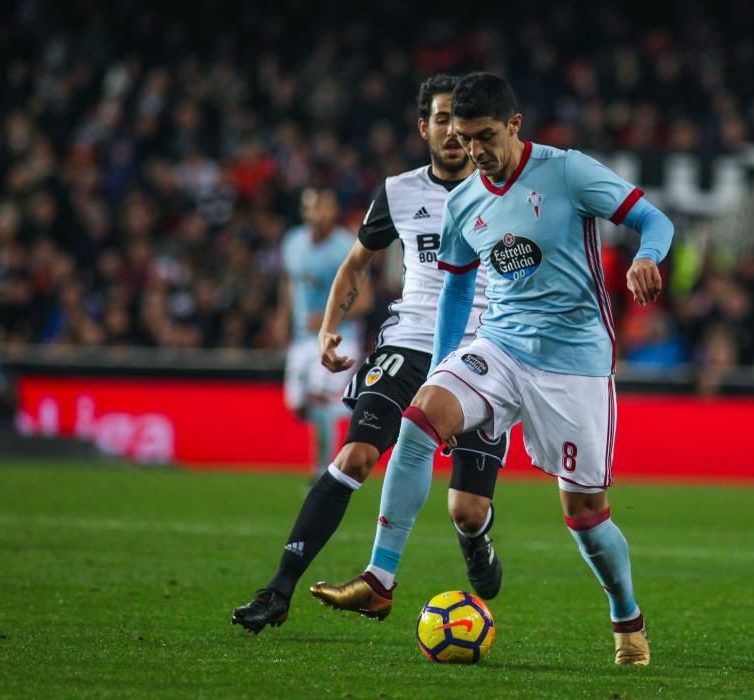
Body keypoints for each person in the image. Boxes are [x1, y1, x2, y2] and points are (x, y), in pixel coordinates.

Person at [310, 72, 673, 667]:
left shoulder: (567, 171)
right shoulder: (465, 200)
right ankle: (381, 578)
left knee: (584, 514)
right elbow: (456, 288)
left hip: (574, 365)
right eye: (463, 136)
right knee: (419, 418)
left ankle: (626, 618)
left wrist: (647, 259)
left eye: (484, 136)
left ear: (514, 126)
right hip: (500, 345)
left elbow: (654, 221)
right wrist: (447, 364)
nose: (475, 150)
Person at [232, 75, 509, 634]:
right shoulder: (400, 192)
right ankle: (278, 590)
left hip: (485, 352)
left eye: (460, 120)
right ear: (424, 127)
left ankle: (475, 538)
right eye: (440, 120)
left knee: (467, 509)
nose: (452, 132)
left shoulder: (502, 192)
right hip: (407, 344)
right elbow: (356, 264)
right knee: (356, 456)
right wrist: (328, 329)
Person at [278, 186, 369, 480]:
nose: (317, 214)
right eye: (312, 208)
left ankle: (321, 474)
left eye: (324, 207)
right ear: (304, 212)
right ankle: (360, 410)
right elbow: (290, 283)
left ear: (334, 211)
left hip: (339, 337)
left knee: (319, 398)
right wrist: (283, 318)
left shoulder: (347, 246)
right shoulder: (292, 242)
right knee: (297, 406)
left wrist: (328, 319)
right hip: (302, 339)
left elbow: (365, 300)